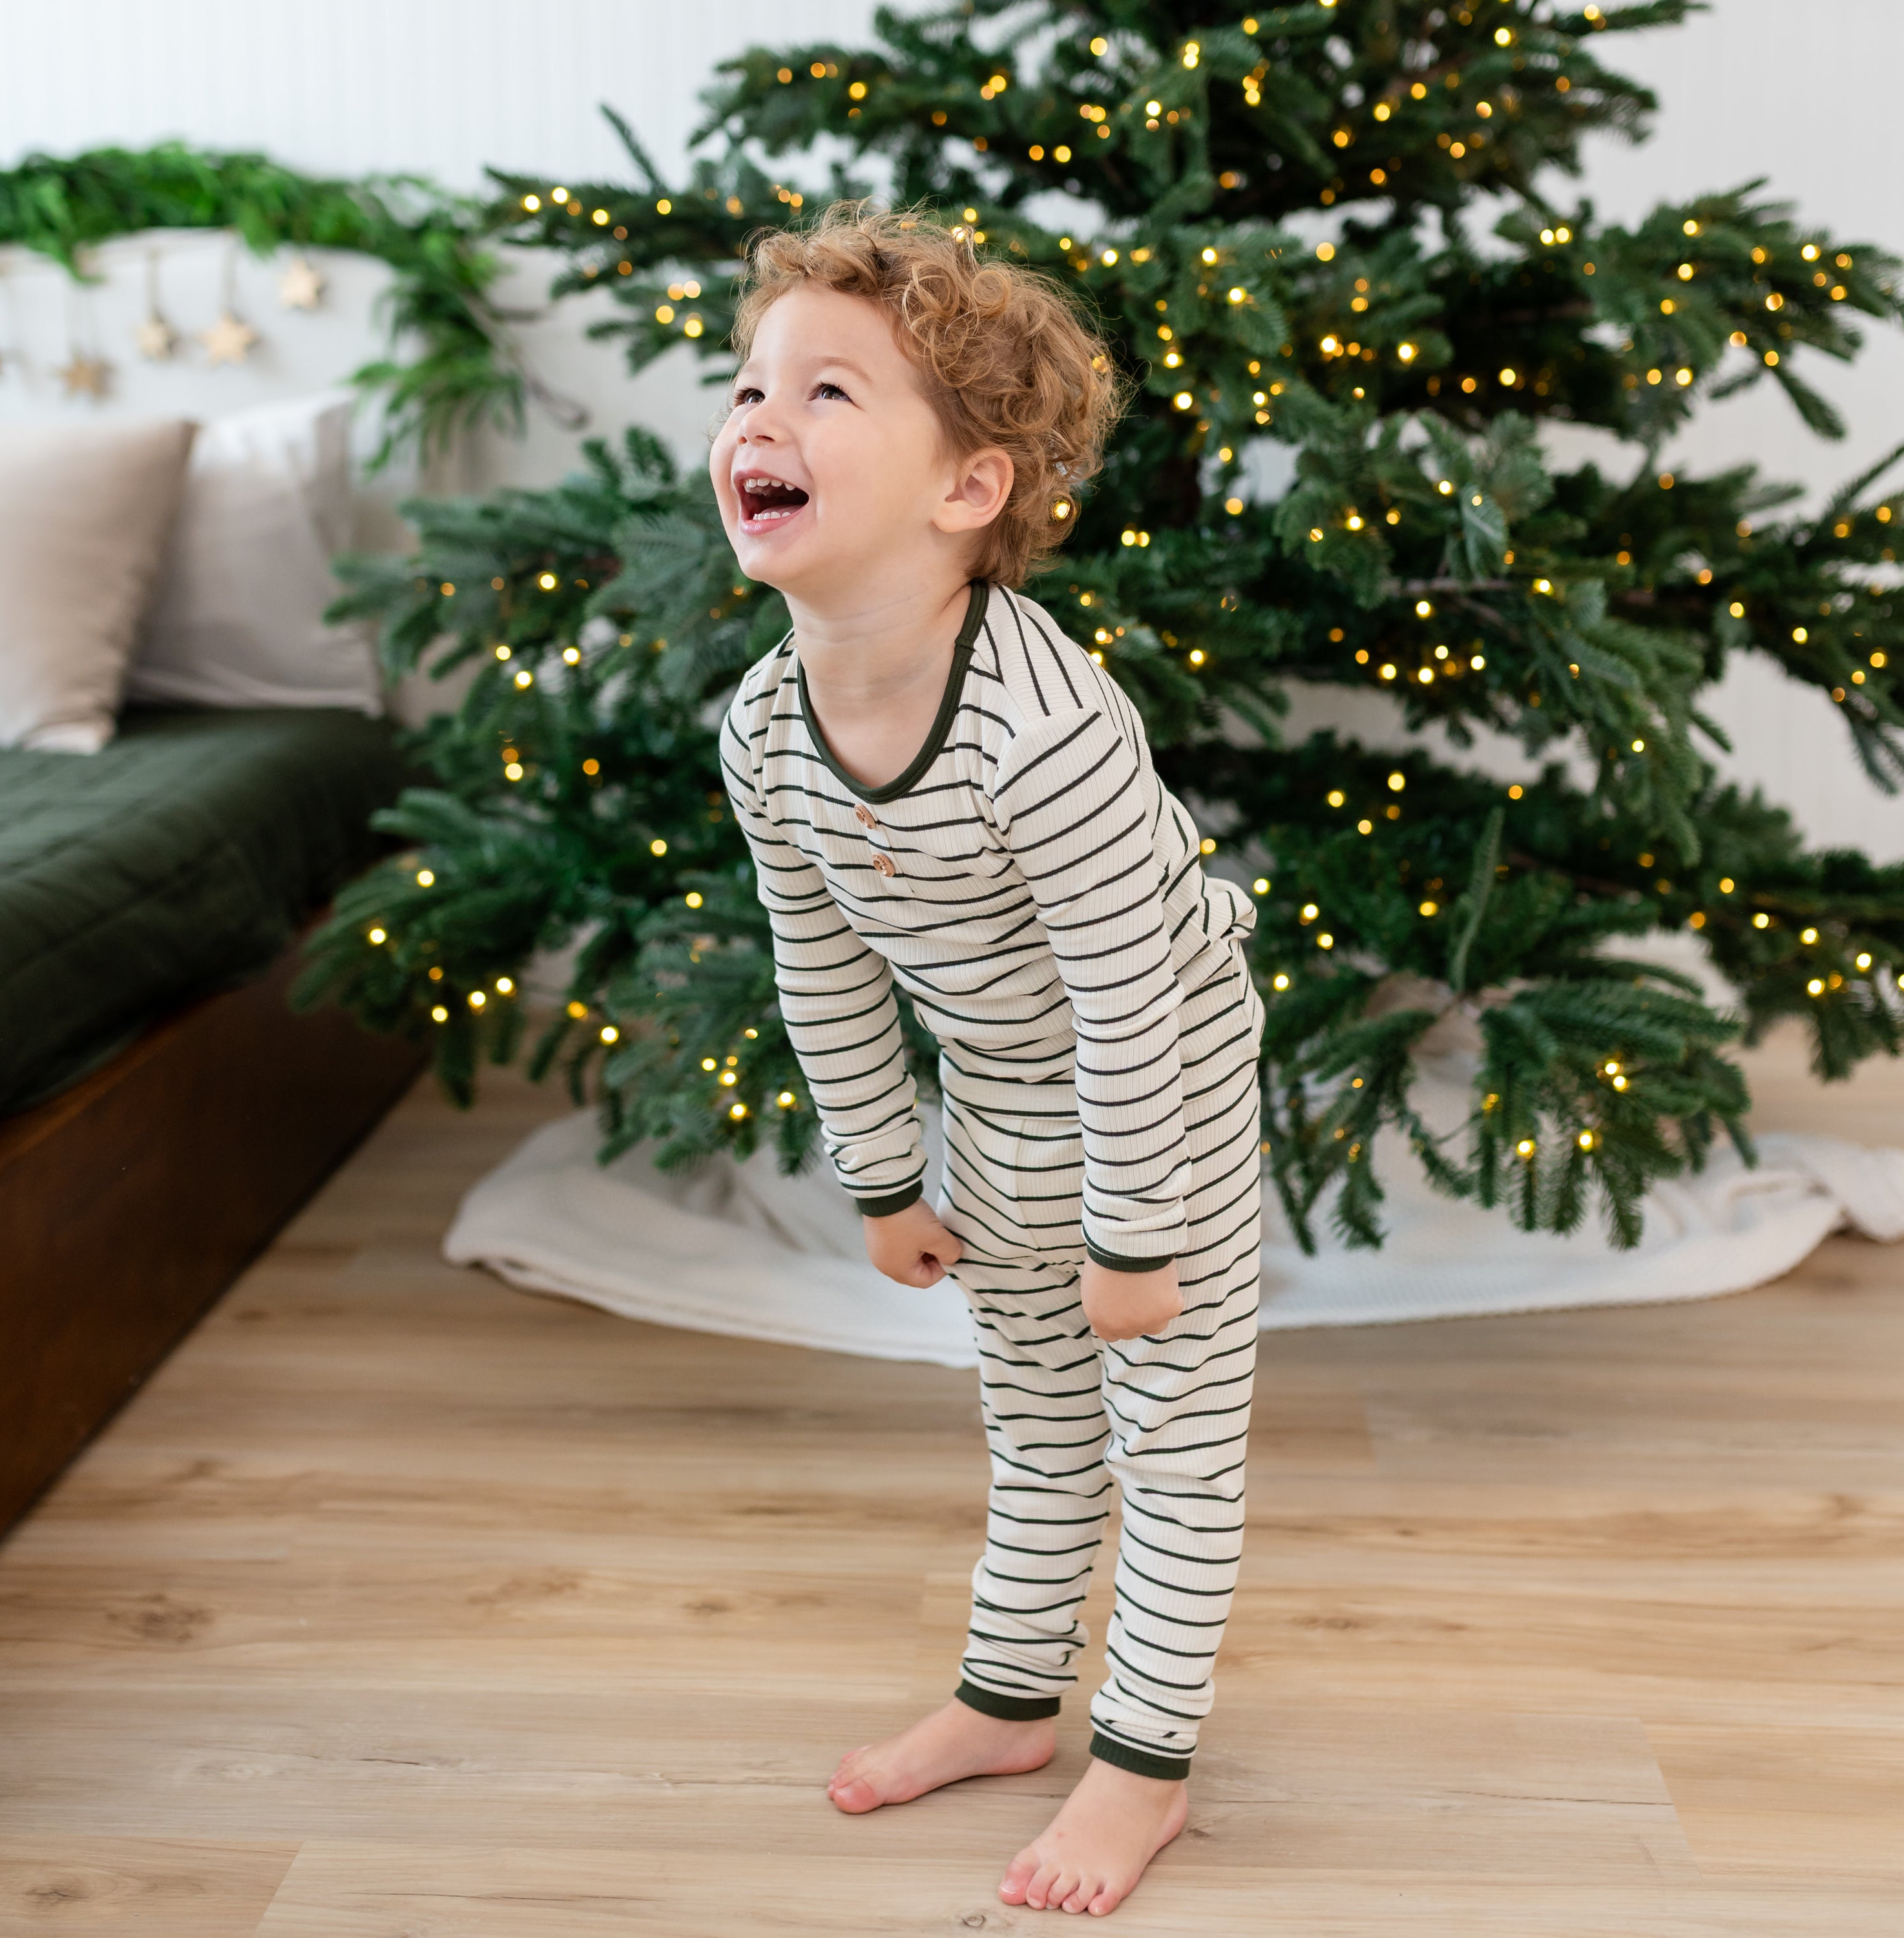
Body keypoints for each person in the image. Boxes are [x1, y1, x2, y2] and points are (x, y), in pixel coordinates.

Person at [713, 202, 1264, 1919]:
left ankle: (1143, 1766)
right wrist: (886, 1179)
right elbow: (821, 966)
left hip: (1160, 1106)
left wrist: (1136, 1236)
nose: (757, 422)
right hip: (997, 1113)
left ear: (970, 492)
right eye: (748, 386)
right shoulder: (766, 729)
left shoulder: (1048, 735)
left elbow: (1135, 1003)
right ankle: (1009, 1702)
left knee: (1170, 1441)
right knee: (1034, 1429)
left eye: (825, 395)